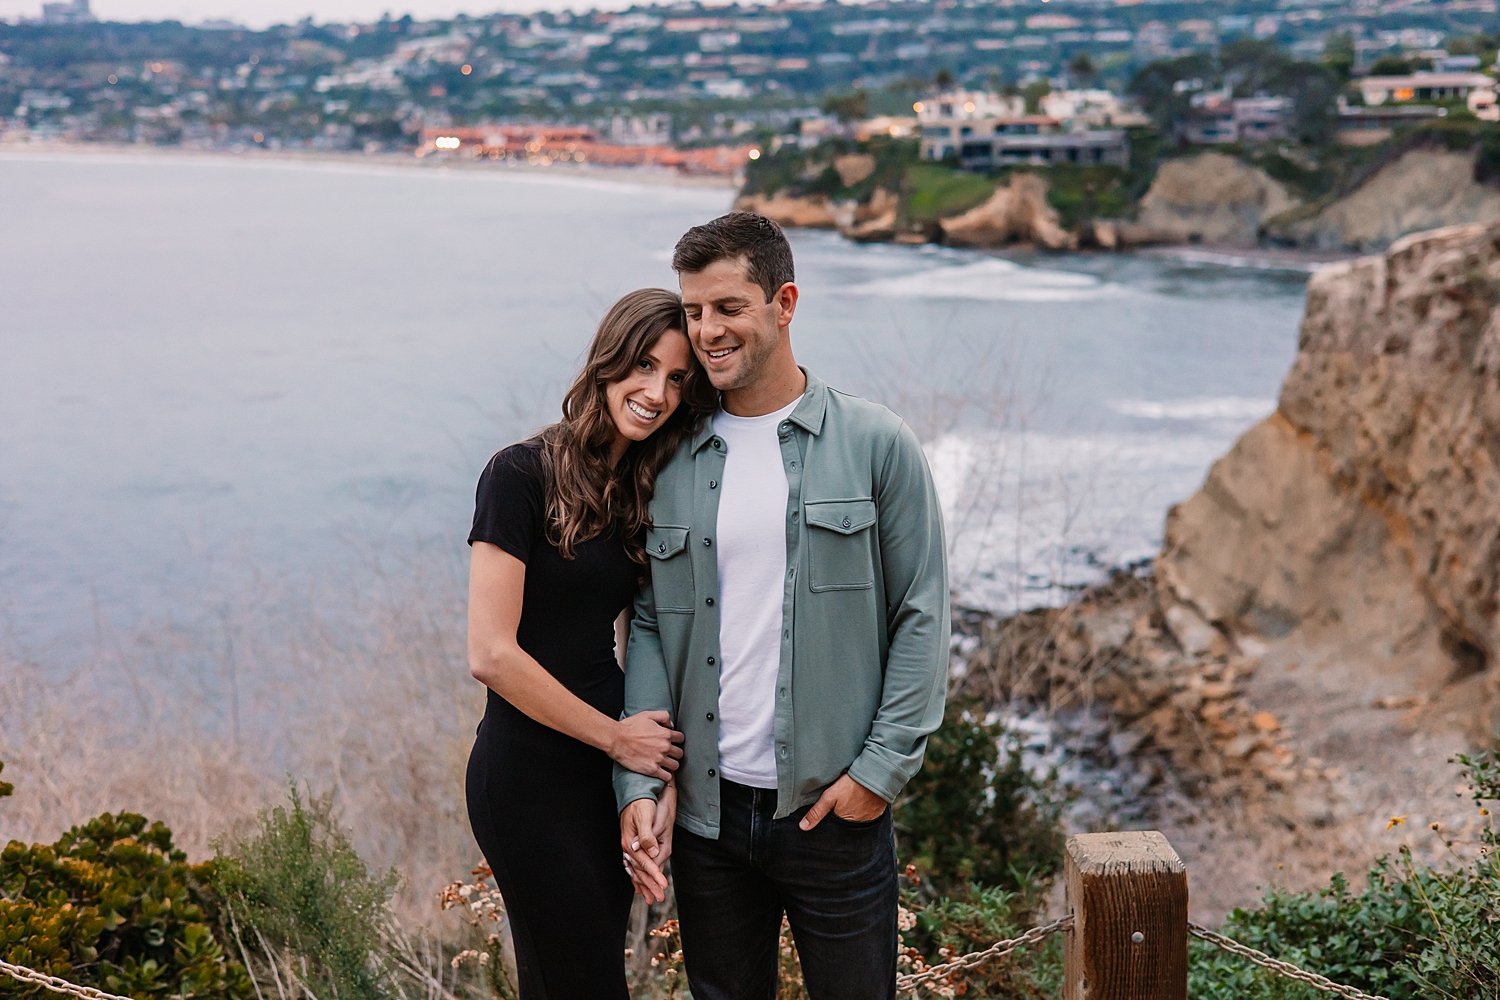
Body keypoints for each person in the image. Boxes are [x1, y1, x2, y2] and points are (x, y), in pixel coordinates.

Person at [616, 212, 950, 1000]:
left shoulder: (876, 443)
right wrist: (641, 783)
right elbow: (655, 627)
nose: (706, 331)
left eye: (728, 307)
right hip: (707, 818)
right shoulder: (669, 459)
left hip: (833, 812)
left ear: (784, 302)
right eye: (694, 311)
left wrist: (879, 774)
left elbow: (922, 614)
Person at [465, 287, 715, 1000]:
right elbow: (491, 653)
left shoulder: (644, 488)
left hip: (606, 782)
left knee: (572, 980)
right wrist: (618, 741)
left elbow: (653, 639)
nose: (656, 392)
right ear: (607, 362)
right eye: (643, 366)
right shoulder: (518, 475)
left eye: (676, 379)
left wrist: (650, 780)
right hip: (527, 777)